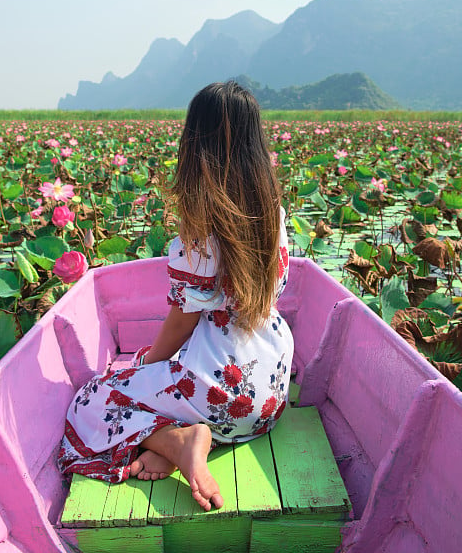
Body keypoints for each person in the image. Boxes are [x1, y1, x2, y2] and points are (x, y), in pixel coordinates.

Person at [58, 81, 294, 511]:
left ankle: (178, 439)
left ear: (194, 145)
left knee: (91, 400)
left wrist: (145, 364)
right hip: (269, 397)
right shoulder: (273, 213)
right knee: (181, 385)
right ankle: (180, 441)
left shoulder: (203, 230)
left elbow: (181, 325)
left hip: (221, 389)